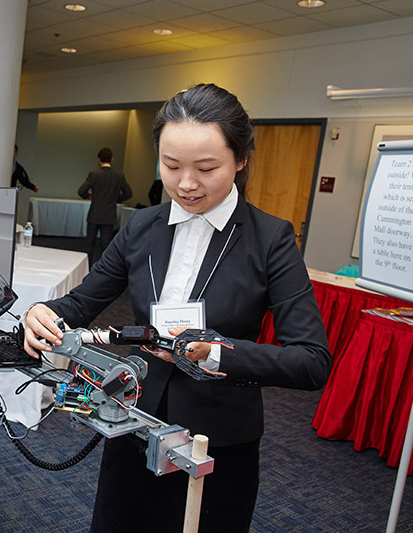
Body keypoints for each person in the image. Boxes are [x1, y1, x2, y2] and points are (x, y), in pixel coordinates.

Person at [23, 84, 331, 533]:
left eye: (206, 168)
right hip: (132, 420)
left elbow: (311, 361)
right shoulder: (142, 227)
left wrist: (219, 352)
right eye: (171, 166)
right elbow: (81, 303)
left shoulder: (271, 240)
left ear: (241, 160)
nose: (186, 184)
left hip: (217, 439)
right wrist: (43, 311)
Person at [78, 147, 132, 262]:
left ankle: (86, 268)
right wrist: (116, 198)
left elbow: (81, 191)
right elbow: (128, 193)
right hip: (109, 215)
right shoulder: (118, 176)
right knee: (106, 245)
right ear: (112, 159)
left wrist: (89, 196)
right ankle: (105, 272)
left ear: (99, 159)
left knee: (89, 244)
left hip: (94, 214)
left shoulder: (94, 174)